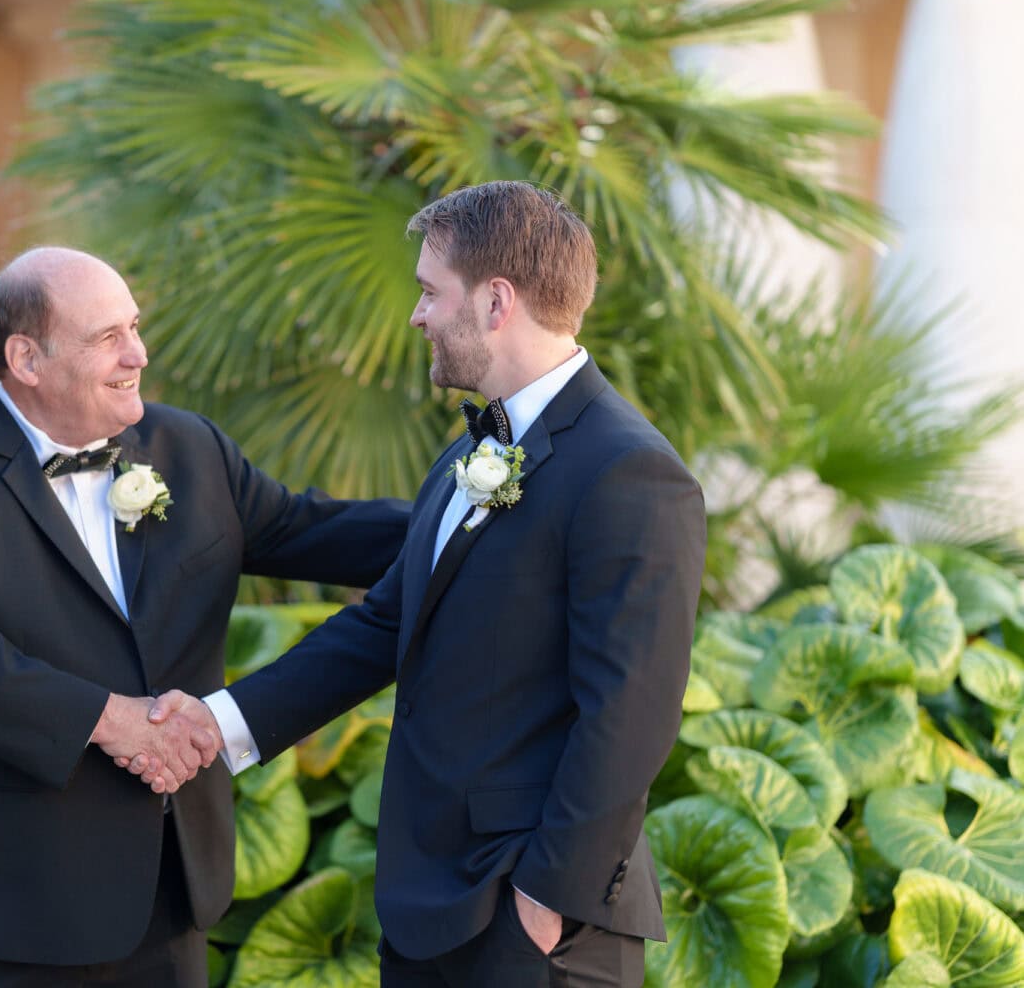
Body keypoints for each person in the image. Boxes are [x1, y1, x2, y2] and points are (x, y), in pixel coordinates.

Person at [140, 182, 707, 987]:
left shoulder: (631, 472)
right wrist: (217, 726)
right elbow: (381, 627)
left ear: (495, 302)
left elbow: (632, 710)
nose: (418, 315)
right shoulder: (463, 459)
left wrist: (548, 901)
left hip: (537, 923)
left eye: (430, 293)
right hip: (431, 909)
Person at [0, 247, 408, 987]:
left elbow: (315, 531)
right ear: (26, 357)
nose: (138, 354)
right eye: (107, 337)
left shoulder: (190, 449)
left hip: (168, 894)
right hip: (2, 913)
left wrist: (483, 512)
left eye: (136, 328)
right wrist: (110, 718)